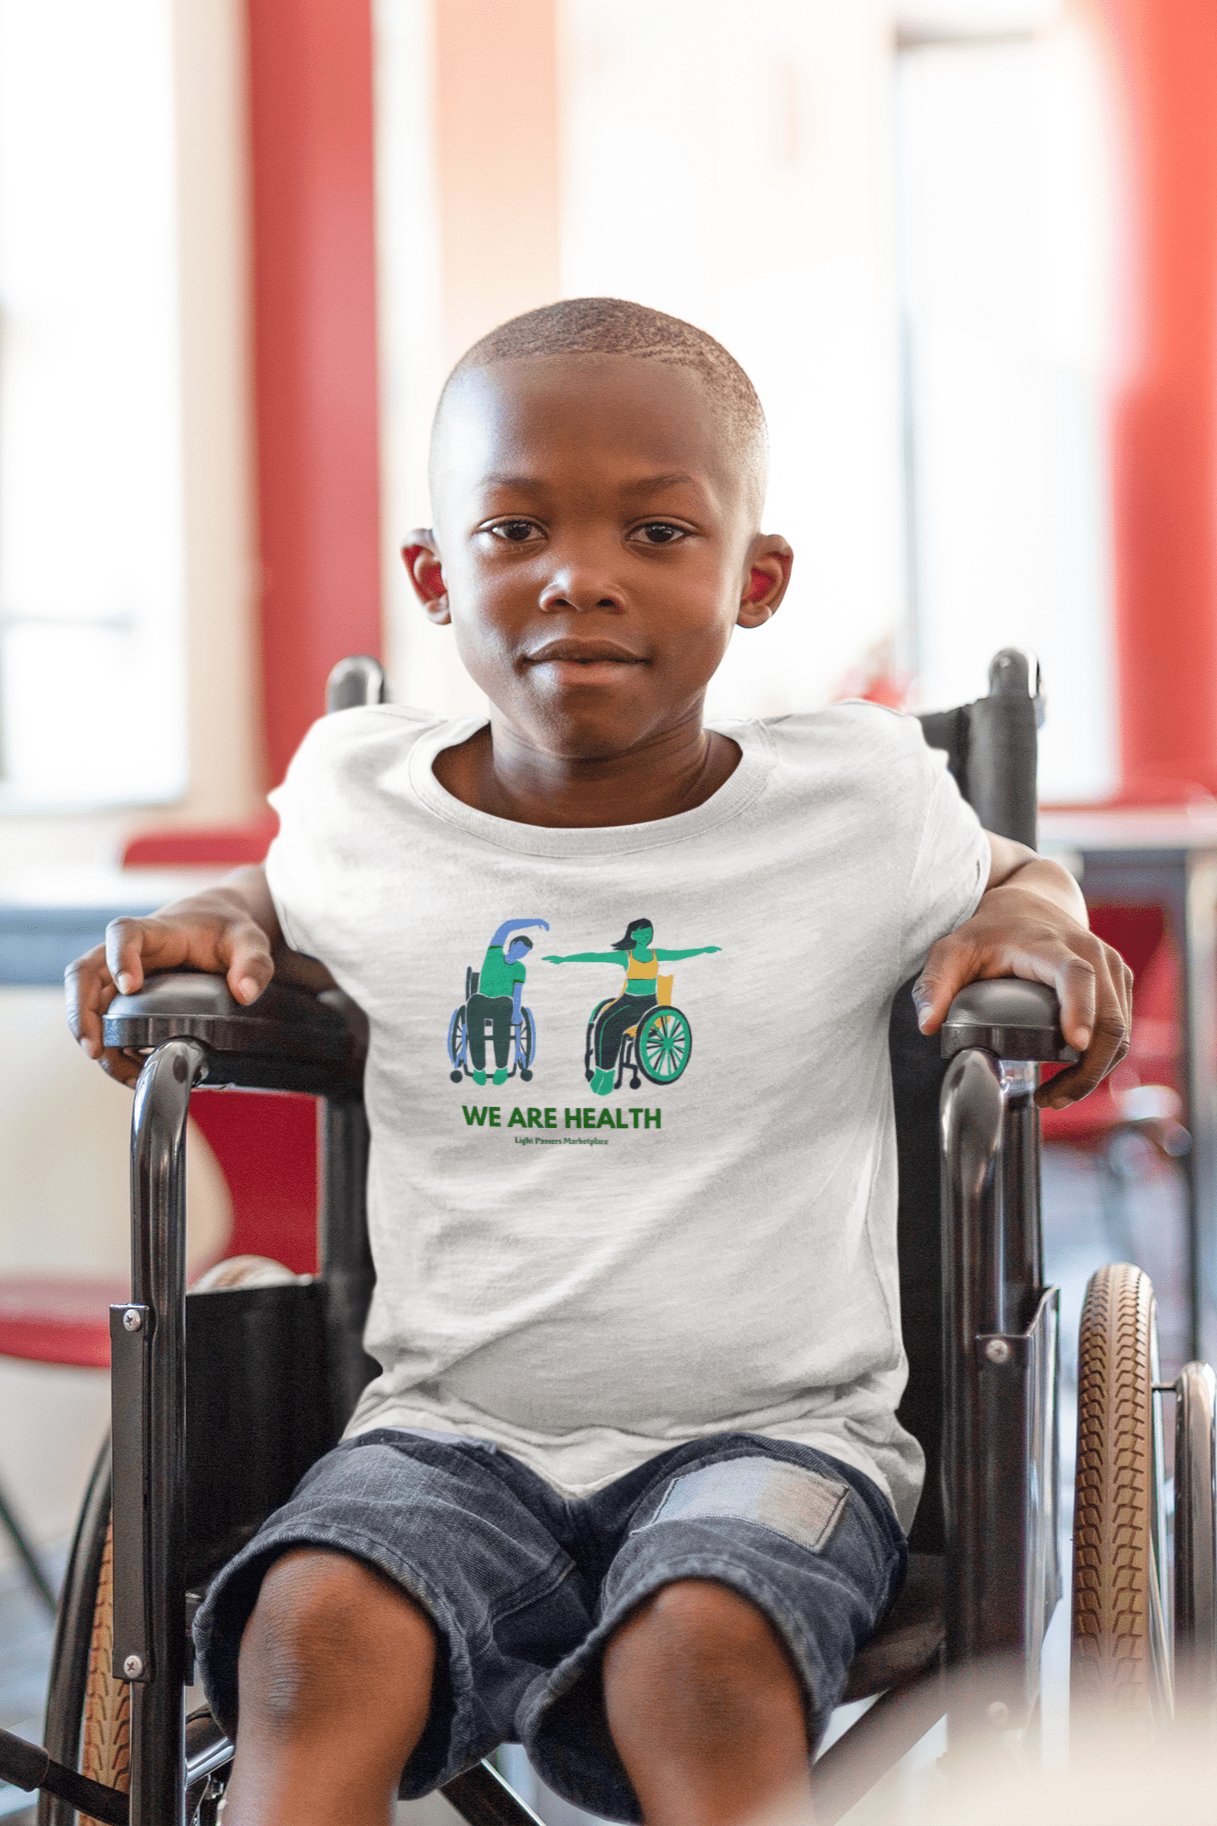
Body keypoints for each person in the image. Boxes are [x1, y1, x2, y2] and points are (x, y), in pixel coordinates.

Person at [66, 298, 1131, 1826]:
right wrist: (205, 919)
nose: (579, 574)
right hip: (445, 1424)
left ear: (753, 580)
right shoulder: (360, 800)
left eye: (656, 531)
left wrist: (1037, 923)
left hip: (779, 1430)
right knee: (308, 1636)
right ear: (437, 576)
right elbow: (272, 902)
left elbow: (1018, 875)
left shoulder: (856, 800)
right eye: (513, 529)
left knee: (696, 1653)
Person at [545, 916, 719, 1093]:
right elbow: (595, 957)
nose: (647, 936)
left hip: (647, 1003)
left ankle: (607, 1074)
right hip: (626, 999)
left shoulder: (655, 954)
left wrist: (703, 949)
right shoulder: (625, 956)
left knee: (612, 1025)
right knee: (602, 1021)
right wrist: (564, 959)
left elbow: (678, 954)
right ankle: (602, 1071)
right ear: (633, 935)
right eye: (643, 933)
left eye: (649, 933)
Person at [466, 917, 549, 1085]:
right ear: (512, 945)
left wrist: (517, 1012)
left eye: (524, 952)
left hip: (503, 1003)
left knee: (505, 1008)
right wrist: (535, 921)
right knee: (473, 1003)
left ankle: (501, 1068)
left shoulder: (520, 969)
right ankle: (479, 1068)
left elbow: (517, 993)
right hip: (482, 1000)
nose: (520, 953)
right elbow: (507, 926)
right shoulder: (494, 954)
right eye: (519, 948)